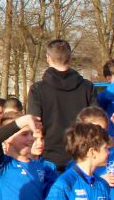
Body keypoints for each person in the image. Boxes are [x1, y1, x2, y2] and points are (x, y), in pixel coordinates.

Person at [27, 39, 99, 170]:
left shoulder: (37, 89)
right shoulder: (87, 87)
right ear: (70, 58)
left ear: (48, 58)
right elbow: (96, 123)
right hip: (82, 157)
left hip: (50, 159)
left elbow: (34, 124)